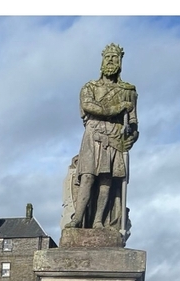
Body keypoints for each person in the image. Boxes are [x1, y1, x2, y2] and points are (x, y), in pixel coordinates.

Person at [67, 43, 139, 230]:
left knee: (106, 180)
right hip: (93, 135)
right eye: (107, 57)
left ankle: (99, 220)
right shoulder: (89, 87)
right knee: (88, 177)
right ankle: (77, 219)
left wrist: (132, 135)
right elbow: (90, 107)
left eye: (115, 58)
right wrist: (118, 108)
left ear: (120, 62)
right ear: (102, 61)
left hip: (115, 137)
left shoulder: (128, 91)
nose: (110, 61)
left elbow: (133, 122)